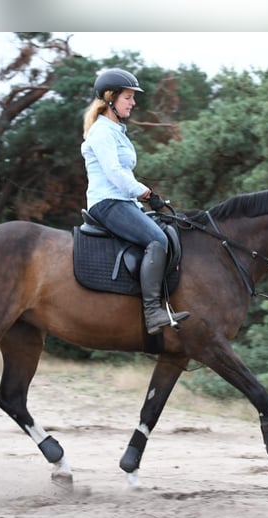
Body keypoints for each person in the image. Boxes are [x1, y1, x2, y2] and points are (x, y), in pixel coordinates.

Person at [81, 68, 190, 335]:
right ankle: (152, 311)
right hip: (108, 202)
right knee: (158, 240)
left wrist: (144, 201)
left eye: (132, 97)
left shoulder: (117, 131)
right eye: (128, 97)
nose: (133, 103)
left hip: (123, 201)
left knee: (168, 228)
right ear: (110, 98)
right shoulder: (102, 133)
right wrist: (146, 193)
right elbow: (115, 173)